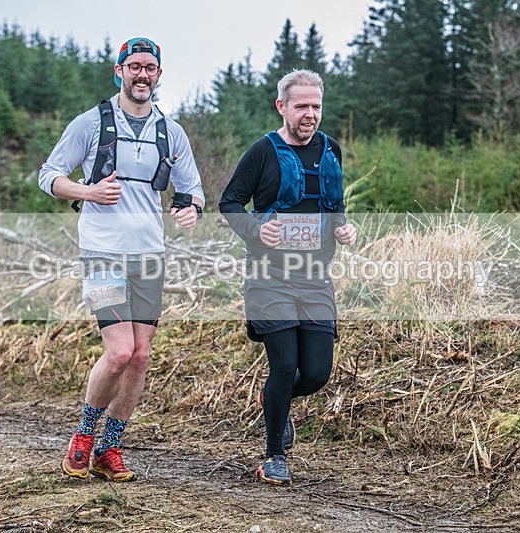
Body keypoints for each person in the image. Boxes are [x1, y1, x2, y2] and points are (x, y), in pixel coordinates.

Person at [39, 37, 204, 482]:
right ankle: (84, 436)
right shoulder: (91, 123)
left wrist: (191, 207)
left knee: (141, 357)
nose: (142, 75)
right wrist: (88, 191)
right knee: (119, 353)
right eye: (134, 67)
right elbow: (48, 176)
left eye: (150, 67)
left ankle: (110, 448)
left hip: (149, 256)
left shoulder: (171, 132)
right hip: (102, 255)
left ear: (159, 75)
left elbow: (193, 188)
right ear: (119, 71)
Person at [219, 69, 356, 485]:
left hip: (315, 276)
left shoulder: (329, 149)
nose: (310, 114)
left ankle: (274, 401)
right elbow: (229, 203)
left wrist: (343, 227)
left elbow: (334, 206)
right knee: (285, 364)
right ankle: (274, 455)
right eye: (301, 106)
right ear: (282, 106)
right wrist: (257, 229)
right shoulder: (262, 151)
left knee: (315, 373)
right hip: (269, 276)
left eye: (316, 106)